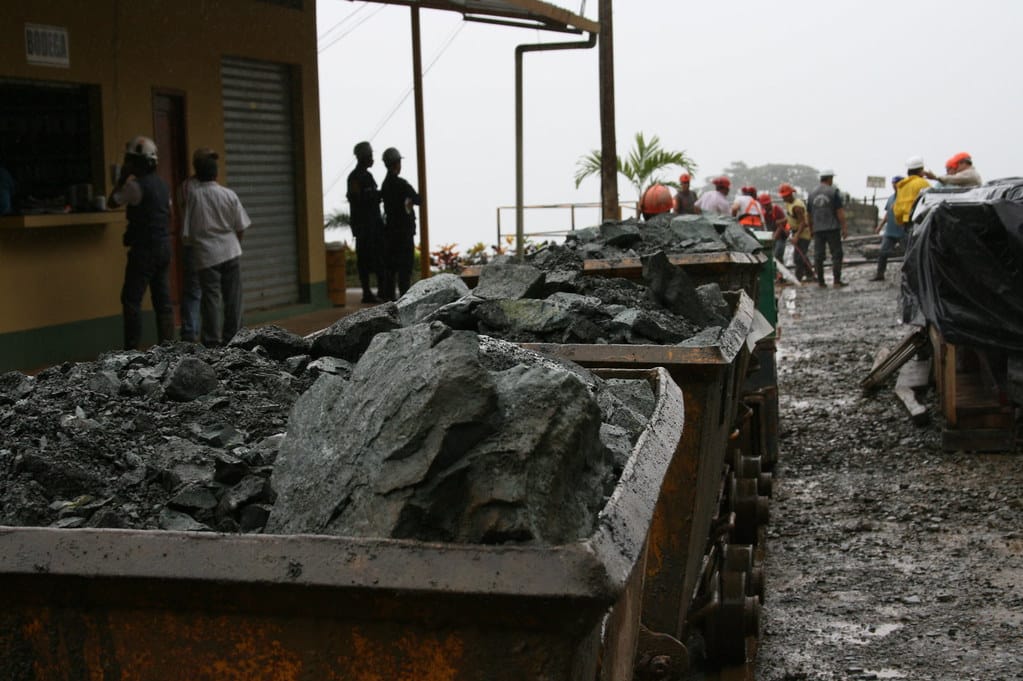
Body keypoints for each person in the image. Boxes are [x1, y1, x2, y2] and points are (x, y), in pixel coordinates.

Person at [108, 135, 175, 350]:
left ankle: (131, 350)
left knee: (131, 299)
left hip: (144, 249)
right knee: (163, 300)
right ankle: (169, 349)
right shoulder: (163, 186)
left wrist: (121, 178)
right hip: (164, 246)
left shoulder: (134, 187)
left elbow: (112, 202)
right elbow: (169, 214)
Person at [182, 150, 252, 346]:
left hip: (206, 255)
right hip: (230, 251)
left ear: (198, 174)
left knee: (210, 299)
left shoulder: (194, 197)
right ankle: (234, 339)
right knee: (233, 298)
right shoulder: (228, 194)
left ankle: (212, 341)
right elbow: (241, 226)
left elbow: (188, 232)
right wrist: (235, 244)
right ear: (216, 174)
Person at [177, 148, 217, 342]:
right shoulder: (188, 187)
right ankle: (190, 333)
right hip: (194, 244)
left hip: (211, 245)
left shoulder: (210, 187)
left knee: (206, 290)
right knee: (195, 290)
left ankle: (207, 334)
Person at [346, 141, 386, 303]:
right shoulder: (355, 178)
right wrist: (373, 197)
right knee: (364, 260)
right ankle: (367, 292)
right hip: (364, 227)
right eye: (370, 156)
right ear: (362, 157)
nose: (372, 159)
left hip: (374, 225)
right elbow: (356, 200)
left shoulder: (367, 176)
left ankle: (381, 291)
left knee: (379, 259)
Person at [380, 146, 420, 300]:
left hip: (390, 232)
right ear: (396, 163)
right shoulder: (401, 184)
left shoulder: (385, 185)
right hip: (404, 232)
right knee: (405, 269)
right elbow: (418, 199)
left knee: (391, 269)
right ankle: (404, 299)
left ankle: (389, 299)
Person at [807, 168, 849, 288]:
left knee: (818, 256)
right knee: (836, 254)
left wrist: (811, 229)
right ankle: (836, 281)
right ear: (830, 179)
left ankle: (821, 282)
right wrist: (844, 228)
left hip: (818, 229)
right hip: (832, 228)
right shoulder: (833, 192)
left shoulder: (811, 194)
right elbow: (839, 212)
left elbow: (808, 214)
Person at [870, 175, 906, 282]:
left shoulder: (905, 197)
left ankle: (909, 276)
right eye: (893, 183)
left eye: (896, 183)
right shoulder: (891, 198)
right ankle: (880, 274)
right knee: (882, 252)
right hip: (890, 231)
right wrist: (880, 226)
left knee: (907, 254)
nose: (894, 185)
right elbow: (887, 214)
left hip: (903, 231)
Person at [780, 183, 813, 282]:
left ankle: (798, 278)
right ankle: (810, 274)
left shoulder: (797, 206)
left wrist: (796, 237)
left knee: (798, 258)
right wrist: (785, 226)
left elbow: (803, 222)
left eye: (785, 196)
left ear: (790, 195)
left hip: (803, 234)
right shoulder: (789, 204)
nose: (783, 198)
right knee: (803, 255)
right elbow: (790, 218)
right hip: (796, 232)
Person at [893, 157, 932, 227]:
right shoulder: (922, 183)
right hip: (918, 221)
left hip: (905, 221)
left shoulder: (902, 185)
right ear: (920, 170)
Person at [759, 192, 789, 274]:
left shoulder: (777, 209)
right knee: (776, 257)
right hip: (773, 236)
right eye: (765, 205)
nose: (767, 206)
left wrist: (774, 238)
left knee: (777, 255)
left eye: (768, 204)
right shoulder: (764, 213)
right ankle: (779, 275)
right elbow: (765, 226)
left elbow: (781, 225)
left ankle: (780, 275)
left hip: (781, 236)